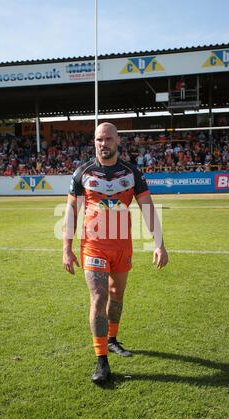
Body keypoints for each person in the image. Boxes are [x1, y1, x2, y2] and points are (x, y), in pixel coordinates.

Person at [62, 122, 168, 384]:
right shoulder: (82, 173)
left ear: (117, 141)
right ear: (94, 142)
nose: (103, 143)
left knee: (116, 295)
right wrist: (66, 247)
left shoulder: (132, 173)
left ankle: (112, 340)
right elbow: (71, 211)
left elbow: (147, 207)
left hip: (122, 246)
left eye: (108, 138)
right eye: (99, 139)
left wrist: (159, 243)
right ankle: (101, 362)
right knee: (98, 297)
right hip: (93, 245)